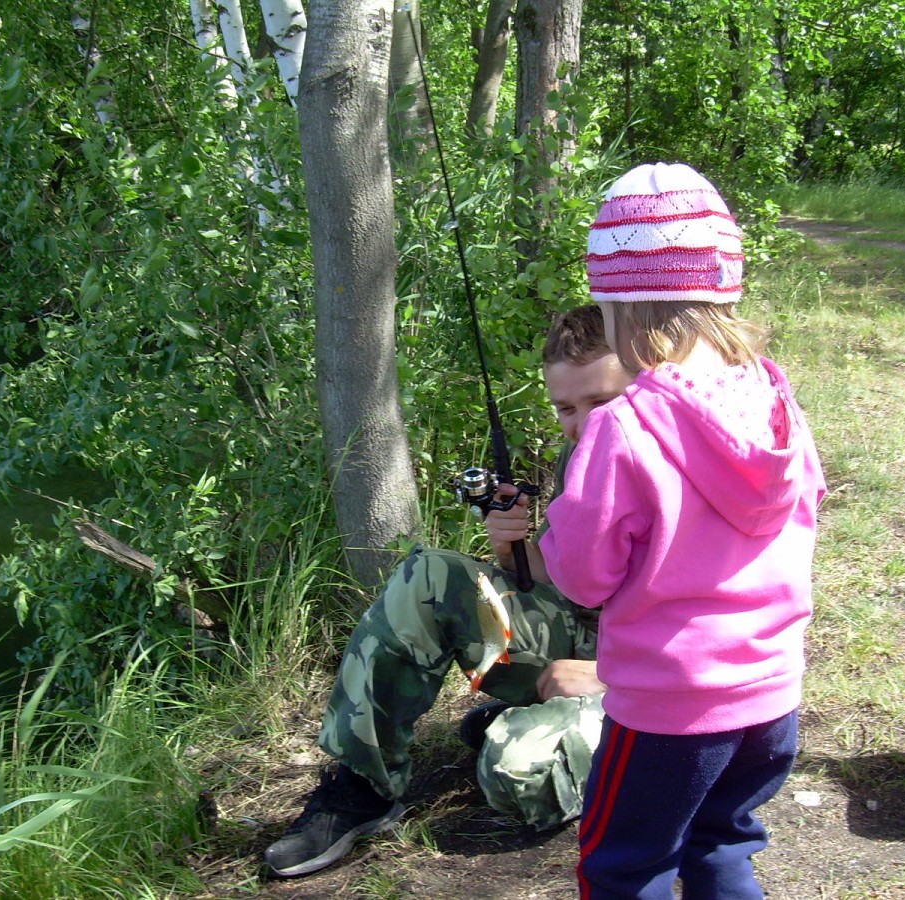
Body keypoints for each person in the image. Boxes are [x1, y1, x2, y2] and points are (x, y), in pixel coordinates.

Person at [538, 162, 826, 899]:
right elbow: (808, 504)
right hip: (770, 698)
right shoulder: (773, 396)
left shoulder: (623, 427)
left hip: (672, 711)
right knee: (721, 846)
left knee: (624, 866)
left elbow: (582, 576)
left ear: (618, 310)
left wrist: (558, 513)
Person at [263, 304, 631, 878]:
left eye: (602, 402)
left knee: (516, 772)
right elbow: (571, 578)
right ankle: (363, 786)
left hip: (649, 676)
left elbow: (725, 624)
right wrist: (512, 546)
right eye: (566, 407)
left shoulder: (681, 464)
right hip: (583, 637)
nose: (582, 423)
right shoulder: (579, 455)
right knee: (430, 573)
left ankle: (535, 721)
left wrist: (611, 674)